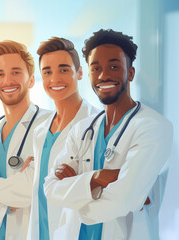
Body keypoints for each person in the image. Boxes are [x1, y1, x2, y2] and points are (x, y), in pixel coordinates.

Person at [44, 29, 173, 240]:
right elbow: (50, 188)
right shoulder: (81, 130)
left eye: (114, 66)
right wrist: (98, 177)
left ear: (130, 73)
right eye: (96, 68)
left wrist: (75, 197)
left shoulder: (153, 127)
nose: (104, 76)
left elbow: (124, 200)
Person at [0, 40, 51, 239]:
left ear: (31, 80)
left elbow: (29, 190)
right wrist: (8, 192)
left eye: (16, 72)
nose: (8, 81)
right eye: (0, 74)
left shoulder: (49, 125)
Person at [27, 37, 98, 240]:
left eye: (64, 69)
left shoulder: (95, 124)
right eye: (47, 72)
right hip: (40, 231)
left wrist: (79, 181)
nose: (55, 79)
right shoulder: (40, 131)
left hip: (76, 231)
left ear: (80, 72)